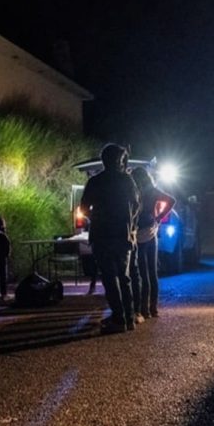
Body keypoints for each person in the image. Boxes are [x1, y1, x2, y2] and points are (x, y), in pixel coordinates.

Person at [80, 143, 140, 334]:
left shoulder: (95, 182)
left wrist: (96, 217)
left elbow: (83, 209)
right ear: (119, 160)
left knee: (109, 277)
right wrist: (129, 221)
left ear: (103, 160)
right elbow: (137, 205)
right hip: (123, 234)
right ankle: (128, 318)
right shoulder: (127, 180)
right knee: (125, 277)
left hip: (101, 235)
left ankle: (118, 318)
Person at [131, 166, 176, 318]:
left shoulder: (135, 192)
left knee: (142, 273)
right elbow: (171, 200)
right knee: (152, 272)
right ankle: (153, 307)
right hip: (152, 231)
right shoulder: (153, 190)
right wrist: (159, 217)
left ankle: (143, 309)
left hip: (140, 233)